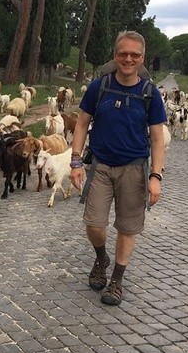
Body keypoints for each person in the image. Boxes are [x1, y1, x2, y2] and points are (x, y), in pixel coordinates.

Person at [69, 30, 166, 305]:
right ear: (115, 56)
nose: (128, 58)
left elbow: (157, 138)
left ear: (142, 59)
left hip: (134, 169)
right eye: (123, 53)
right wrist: (76, 161)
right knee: (94, 223)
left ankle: (117, 281)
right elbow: (81, 123)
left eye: (134, 55)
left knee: (127, 227)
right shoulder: (99, 87)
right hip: (100, 166)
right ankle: (101, 258)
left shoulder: (150, 94)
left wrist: (155, 175)